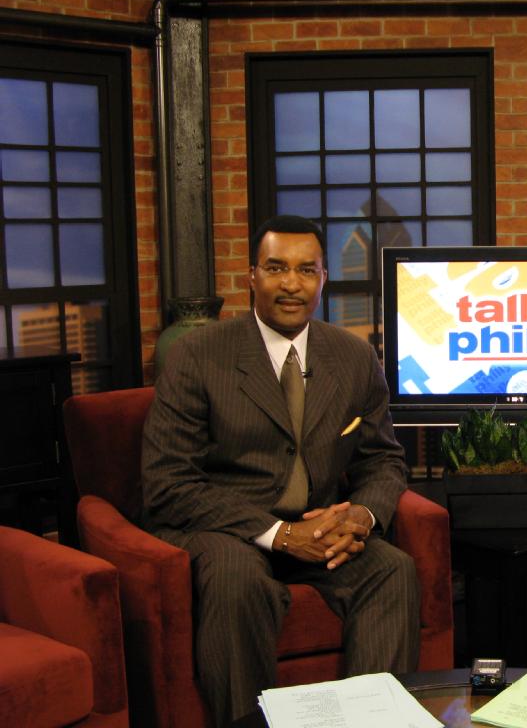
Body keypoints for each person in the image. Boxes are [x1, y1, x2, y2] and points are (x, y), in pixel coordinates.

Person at [141, 215, 419, 726]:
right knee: (236, 580)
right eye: (275, 268)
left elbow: (383, 458)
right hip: (228, 529)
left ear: (323, 278)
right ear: (251, 276)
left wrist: (360, 516)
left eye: (306, 270)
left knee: (392, 570)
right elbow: (168, 482)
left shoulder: (355, 356)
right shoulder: (197, 355)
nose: (292, 283)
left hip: (317, 527)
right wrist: (281, 535)